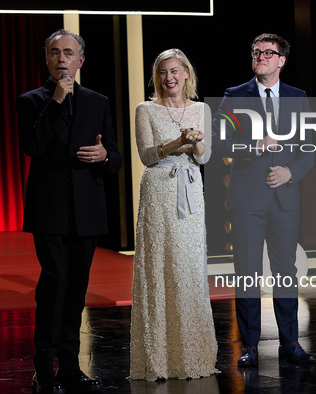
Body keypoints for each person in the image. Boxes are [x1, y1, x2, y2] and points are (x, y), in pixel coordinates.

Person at [16, 29, 123, 393]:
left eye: (68, 53)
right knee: (54, 285)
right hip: (50, 210)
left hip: (88, 210)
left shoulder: (98, 101)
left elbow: (115, 153)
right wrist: (56, 101)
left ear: (80, 60)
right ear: (46, 59)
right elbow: (33, 145)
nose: (62, 59)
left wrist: (105, 155)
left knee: (76, 289)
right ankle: (43, 367)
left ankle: (70, 366)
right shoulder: (31, 100)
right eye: (54, 53)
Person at [211, 33, 315, 367]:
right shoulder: (235, 95)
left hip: (284, 197)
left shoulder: (298, 97)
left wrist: (290, 171)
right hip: (246, 198)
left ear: (282, 60)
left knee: (285, 271)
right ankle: (250, 346)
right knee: (247, 272)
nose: (261, 57)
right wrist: (254, 146)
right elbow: (219, 141)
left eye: (268, 53)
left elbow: (309, 148)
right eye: (256, 52)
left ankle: (291, 343)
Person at [129, 48, 218, 380]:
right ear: (158, 76)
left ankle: (194, 356)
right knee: (160, 267)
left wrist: (194, 145)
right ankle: (159, 358)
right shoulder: (146, 109)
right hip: (158, 190)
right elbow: (147, 156)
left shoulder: (202, 109)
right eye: (163, 72)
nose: (169, 78)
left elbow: (204, 158)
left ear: (186, 74)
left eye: (174, 71)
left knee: (189, 267)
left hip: (191, 188)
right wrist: (176, 141)